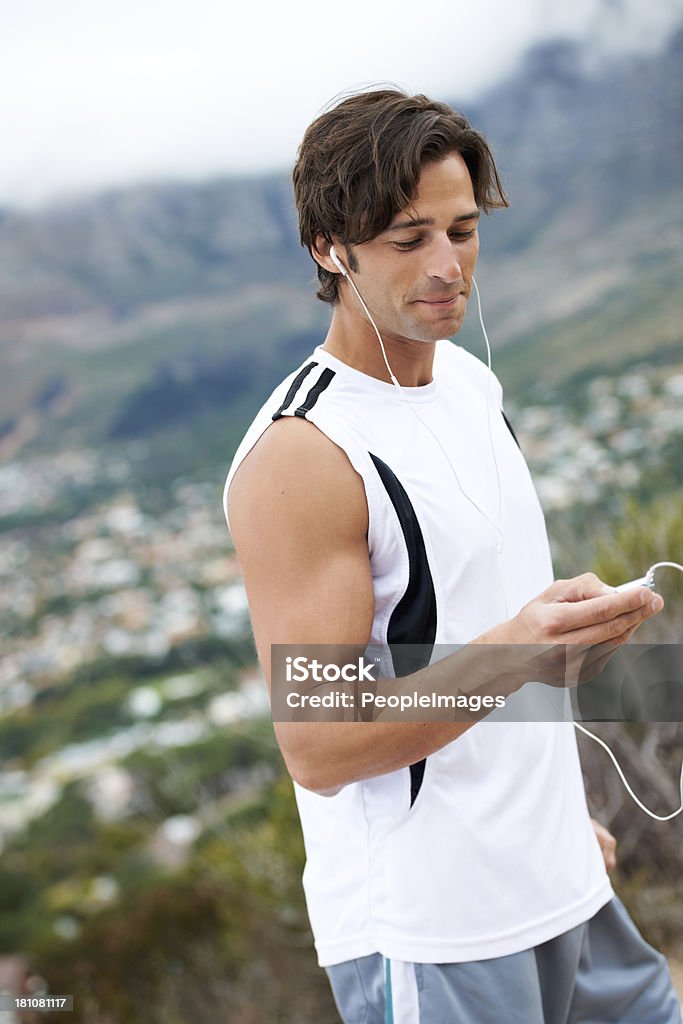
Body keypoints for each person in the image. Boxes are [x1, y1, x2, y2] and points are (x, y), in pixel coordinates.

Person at [224, 90, 681, 1023]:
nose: (446, 267)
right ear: (328, 247)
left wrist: (551, 805)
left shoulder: (470, 383)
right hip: (435, 937)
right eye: (405, 239)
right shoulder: (306, 452)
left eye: (462, 230)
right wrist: (520, 651)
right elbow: (318, 744)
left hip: (560, 884)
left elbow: (482, 652)